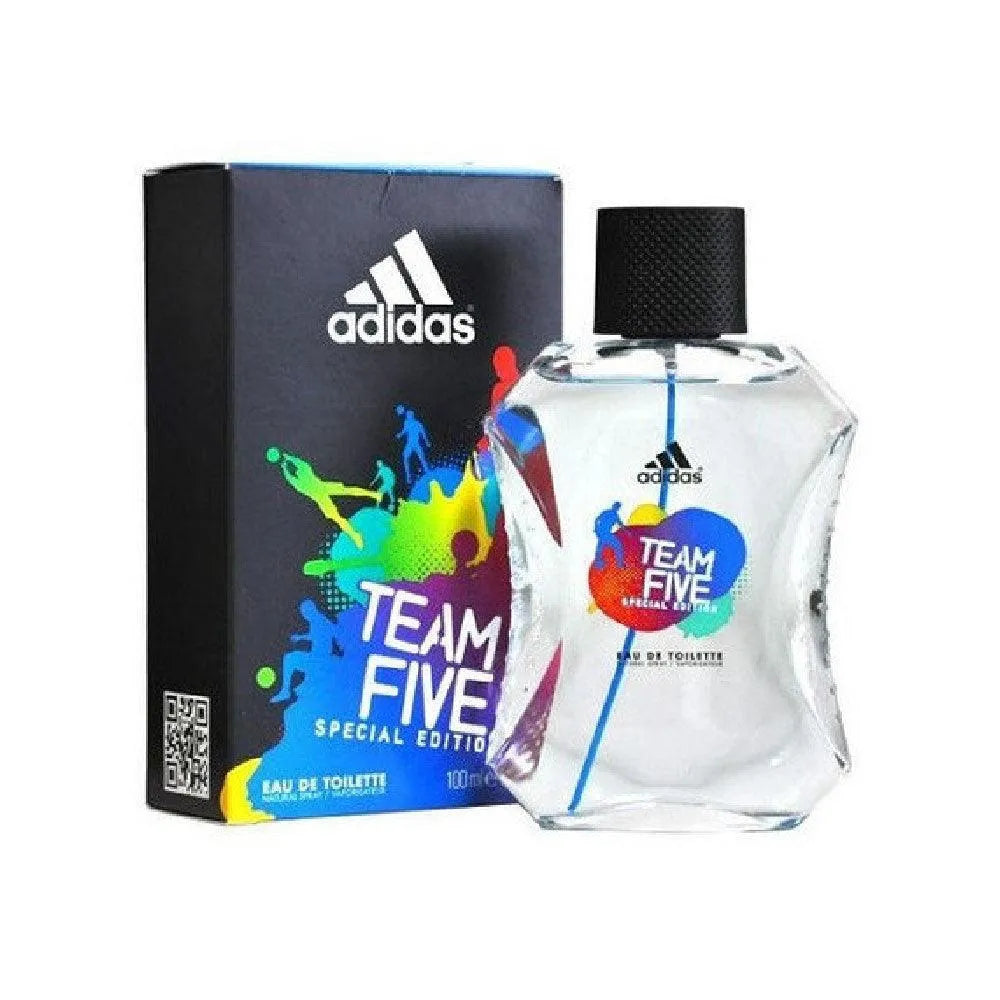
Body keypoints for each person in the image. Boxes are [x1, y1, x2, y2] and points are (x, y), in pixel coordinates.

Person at [266, 446, 378, 549]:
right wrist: (286, 460)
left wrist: (286, 461)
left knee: (341, 510)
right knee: (342, 505)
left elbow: (300, 476)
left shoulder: (294, 473)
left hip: (321, 491)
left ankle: (356, 533)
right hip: (321, 492)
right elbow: (302, 472)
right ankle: (356, 534)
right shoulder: (294, 471)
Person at [395, 405, 430, 485]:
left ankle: (427, 471)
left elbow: (423, 433)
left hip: (416, 444)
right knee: (405, 457)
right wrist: (400, 434)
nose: (407, 416)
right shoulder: (407, 422)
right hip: (410, 444)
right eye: (407, 416)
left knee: (421, 457)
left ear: (412, 416)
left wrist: (426, 441)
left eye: (409, 415)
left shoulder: (418, 424)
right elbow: (404, 431)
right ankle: (408, 476)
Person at [593, 501, 625, 569]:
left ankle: (598, 564)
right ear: (617, 508)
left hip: (600, 533)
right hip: (606, 534)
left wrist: (596, 529)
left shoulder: (606, 512)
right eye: (617, 507)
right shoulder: (615, 515)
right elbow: (621, 525)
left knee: (600, 547)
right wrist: (626, 531)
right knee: (618, 546)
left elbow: (597, 519)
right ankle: (620, 565)